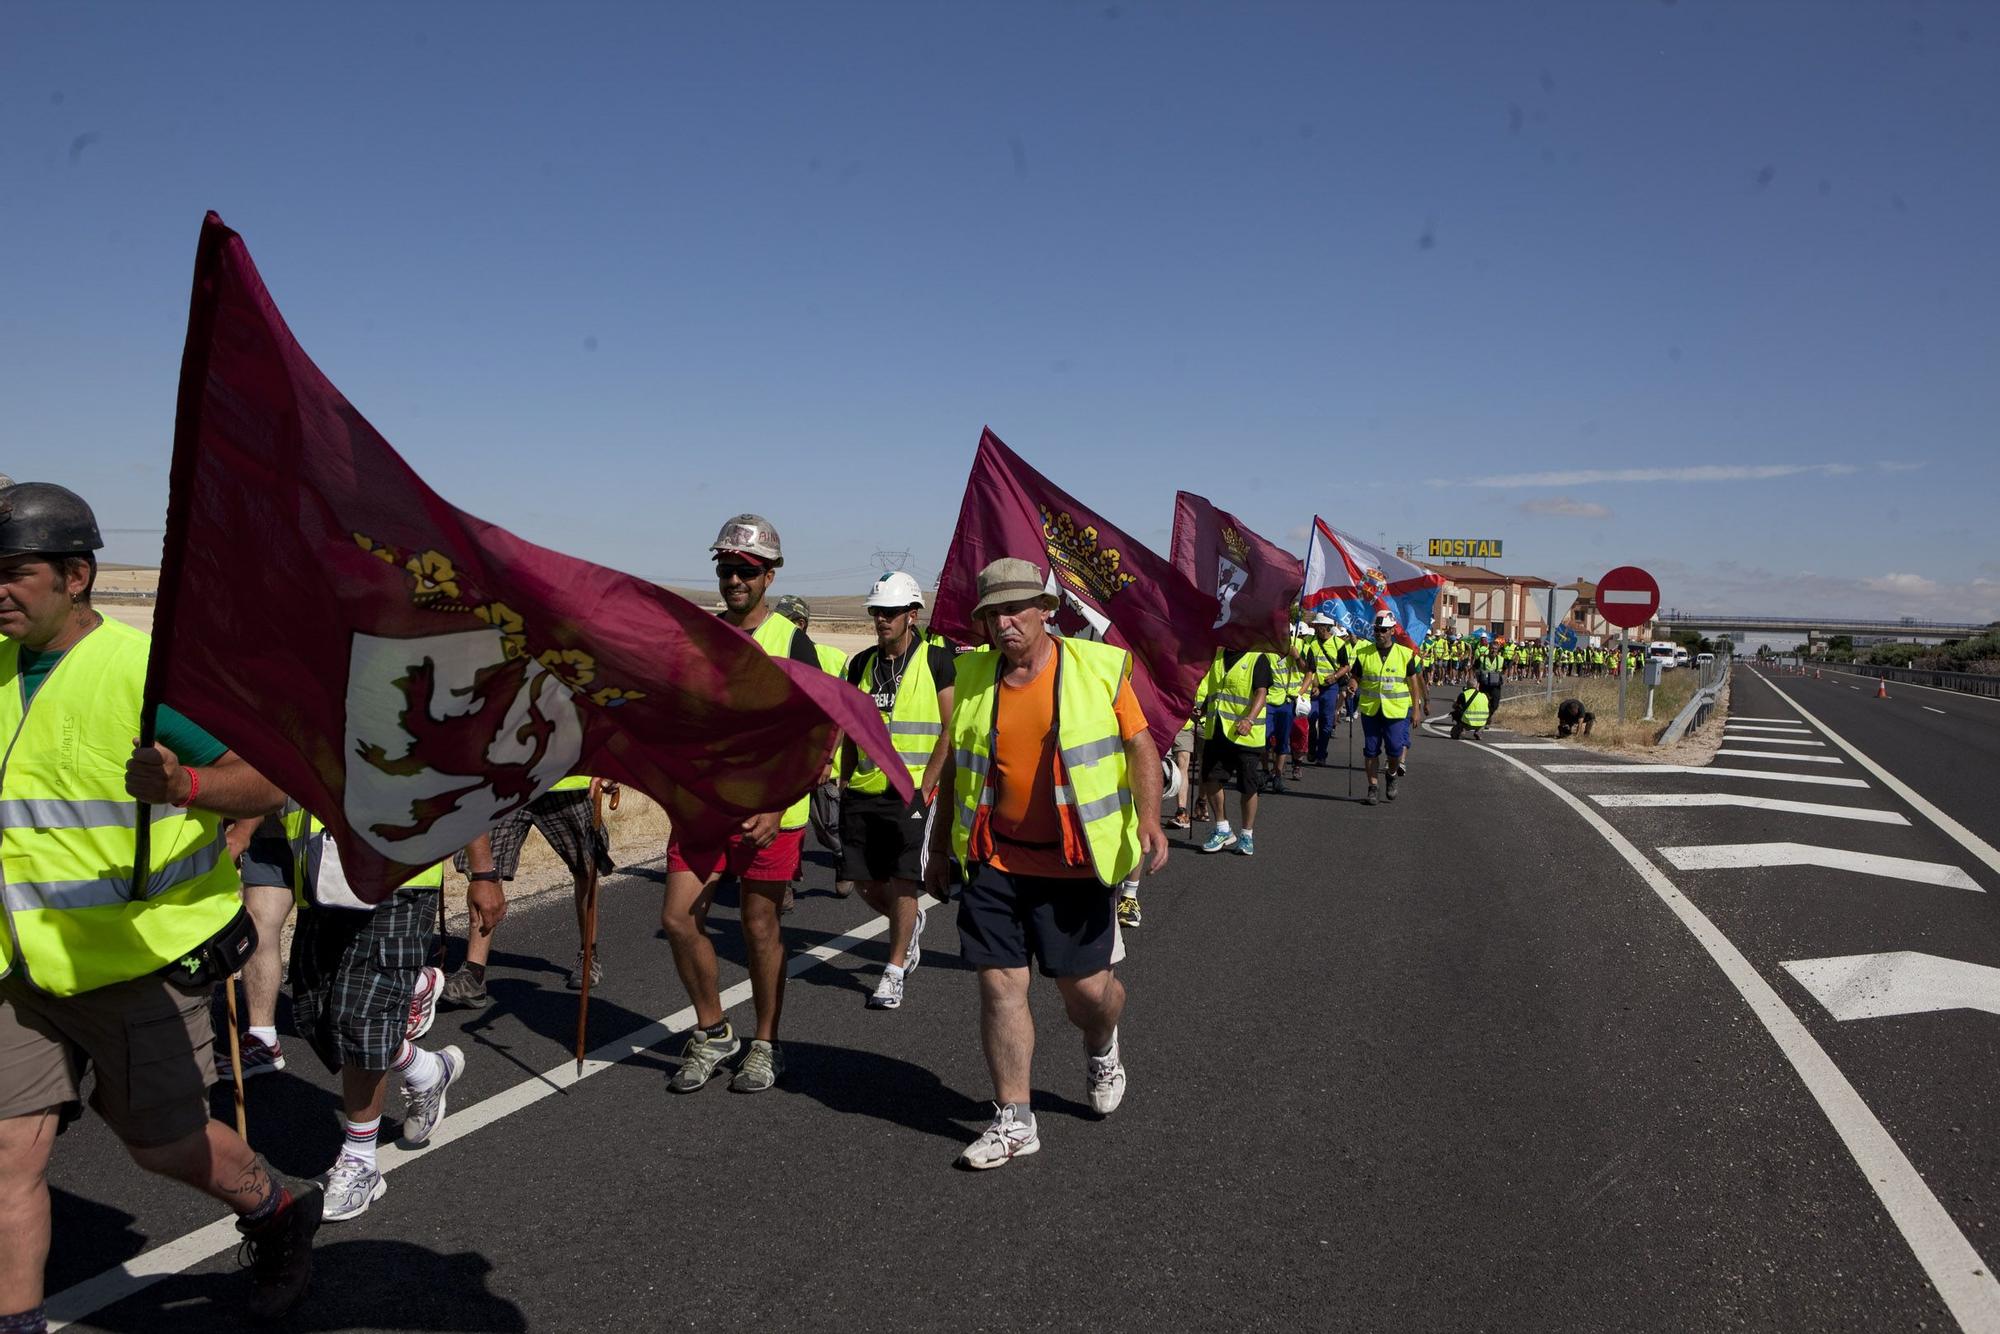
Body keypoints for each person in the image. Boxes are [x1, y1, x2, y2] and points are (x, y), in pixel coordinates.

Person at [0, 482, 320, 1328]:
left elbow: (275, 779)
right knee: (6, 1161)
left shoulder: (143, 675)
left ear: (76, 576)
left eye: (14, 571)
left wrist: (188, 783)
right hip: (21, 969)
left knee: (161, 1146)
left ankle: (276, 1211)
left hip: (137, 962)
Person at [924, 558, 1166, 1169]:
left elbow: (1141, 744)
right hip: (996, 862)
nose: (1004, 623)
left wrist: (1150, 819)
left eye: (1015, 609)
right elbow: (956, 761)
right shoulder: (974, 674)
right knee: (1001, 985)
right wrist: (937, 849)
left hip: (1076, 864)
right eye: (992, 613)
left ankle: (1103, 1039)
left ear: (1046, 611)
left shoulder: (1097, 669)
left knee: (1086, 994)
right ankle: (1014, 1119)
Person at [660, 515, 825, 1095]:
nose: (735, 580)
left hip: (771, 814)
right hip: (706, 809)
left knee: (759, 926)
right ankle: (713, 1031)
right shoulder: (704, 637)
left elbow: (816, 738)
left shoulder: (791, 641)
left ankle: (767, 1043)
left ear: (769, 576)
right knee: (678, 919)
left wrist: (779, 806)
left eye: (747, 571)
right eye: (727, 568)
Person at [282, 816, 469, 1222]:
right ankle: (424, 1068)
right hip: (319, 873)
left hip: (397, 873)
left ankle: (361, 1162)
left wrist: (484, 872)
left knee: (361, 1020)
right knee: (315, 1015)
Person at [839, 572, 953, 1010]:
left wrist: (927, 786)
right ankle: (910, 924)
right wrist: (846, 778)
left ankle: (893, 970)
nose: (881, 619)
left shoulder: (937, 661)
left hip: (912, 792)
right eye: (876, 612)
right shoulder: (861, 665)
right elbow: (851, 728)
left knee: (905, 881)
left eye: (890, 612)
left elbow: (949, 729)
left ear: (912, 614)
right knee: (866, 882)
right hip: (866, 788)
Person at [439, 775, 617, 1007]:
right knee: (484, 872)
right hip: (507, 783)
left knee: (587, 866)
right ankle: (473, 974)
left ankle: (589, 957)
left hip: (565, 782)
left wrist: (609, 768)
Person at [776, 594, 849, 913]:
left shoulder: (832, 659)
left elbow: (844, 712)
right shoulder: (772, 656)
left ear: (801, 624)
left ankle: (842, 859)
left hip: (822, 762)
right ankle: (785, 885)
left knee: (828, 826)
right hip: (787, 763)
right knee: (786, 826)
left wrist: (831, 757)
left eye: (787, 621)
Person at [1195, 645, 1271, 856]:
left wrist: (1249, 719)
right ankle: (1222, 829)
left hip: (1244, 734)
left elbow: (1261, 692)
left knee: (1247, 786)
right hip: (1217, 730)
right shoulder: (1217, 656)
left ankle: (1246, 834)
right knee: (1211, 778)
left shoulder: (1258, 658)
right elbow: (1215, 690)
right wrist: (1201, 709)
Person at [1353, 610, 1426, 805]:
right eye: (1377, 629)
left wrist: (1417, 710)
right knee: (1371, 750)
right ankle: (1373, 787)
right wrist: (1352, 683)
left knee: (1394, 750)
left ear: (1392, 631)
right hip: (1371, 710)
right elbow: (1356, 677)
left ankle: (1391, 775)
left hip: (1397, 710)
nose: (1379, 633)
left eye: (1383, 630)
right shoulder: (1363, 653)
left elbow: (1413, 683)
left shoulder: (1404, 654)